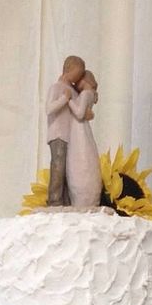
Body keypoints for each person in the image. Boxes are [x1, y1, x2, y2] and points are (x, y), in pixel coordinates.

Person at [45, 55, 85, 206]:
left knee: (69, 169)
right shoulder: (57, 87)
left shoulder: (73, 91)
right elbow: (49, 109)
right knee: (58, 166)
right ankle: (55, 200)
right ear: (69, 69)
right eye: (78, 72)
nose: (79, 76)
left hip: (72, 136)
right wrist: (64, 99)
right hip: (58, 134)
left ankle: (67, 200)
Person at [66, 71, 102, 208]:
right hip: (83, 129)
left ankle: (82, 201)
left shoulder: (85, 94)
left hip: (79, 129)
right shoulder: (91, 95)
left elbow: (80, 113)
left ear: (84, 80)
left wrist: (68, 100)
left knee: (80, 162)